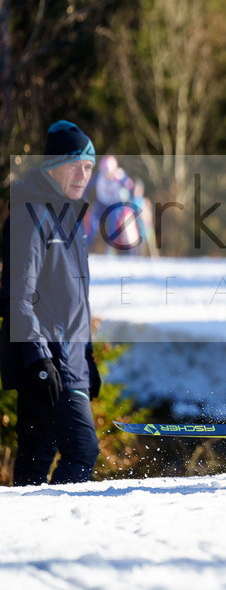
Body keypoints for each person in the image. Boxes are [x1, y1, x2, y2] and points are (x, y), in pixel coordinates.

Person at [1, 121, 102, 486]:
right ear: (52, 166)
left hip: (65, 361)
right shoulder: (31, 216)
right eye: (74, 165)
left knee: (34, 464)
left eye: (88, 167)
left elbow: (73, 302)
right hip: (47, 361)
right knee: (82, 451)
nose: (83, 174)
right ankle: (66, 521)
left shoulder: (70, 220)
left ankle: (28, 524)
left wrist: (87, 358)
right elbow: (18, 295)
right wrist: (37, 360)